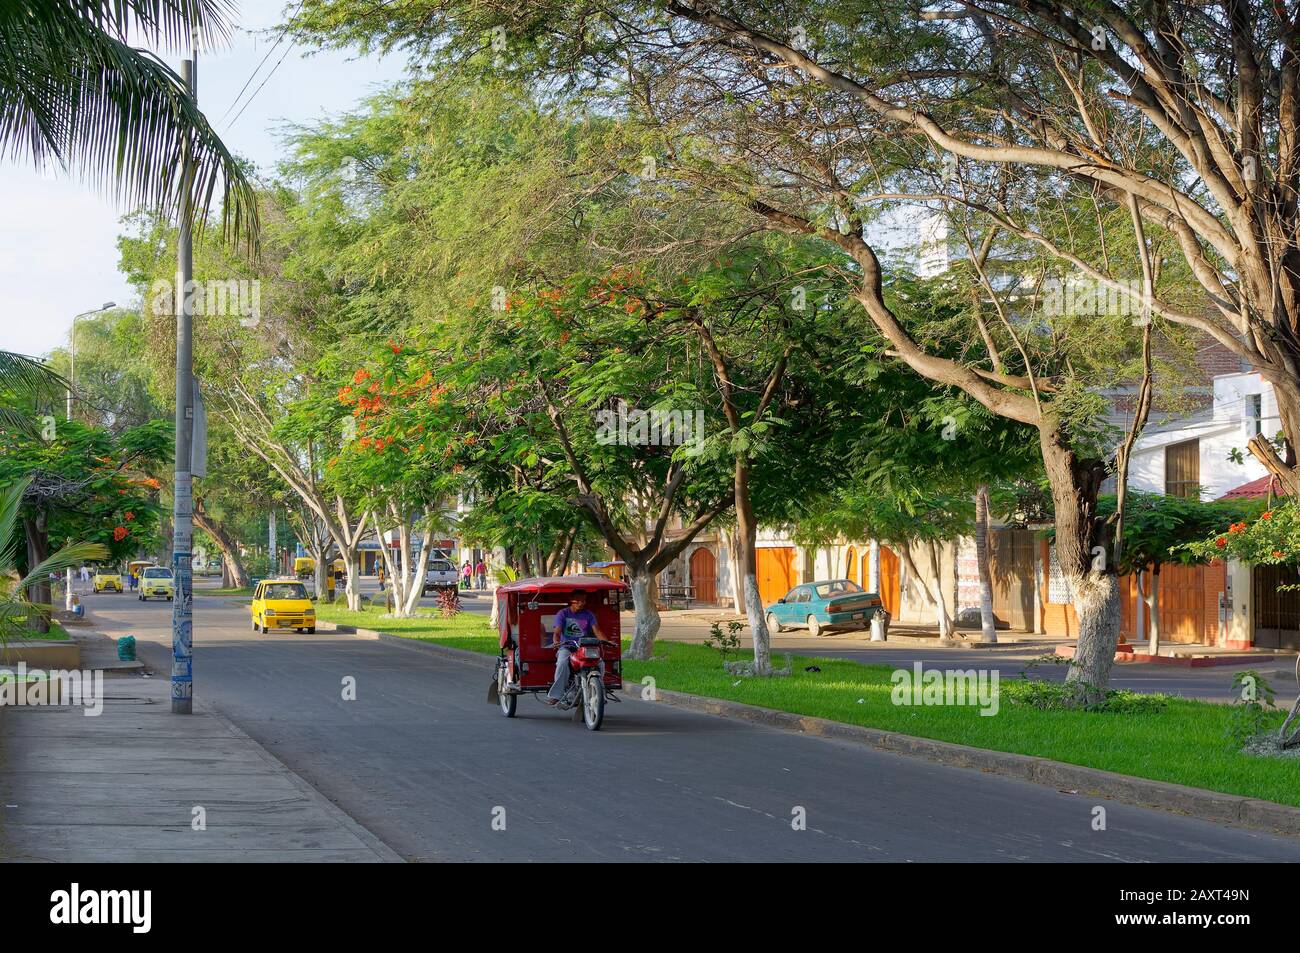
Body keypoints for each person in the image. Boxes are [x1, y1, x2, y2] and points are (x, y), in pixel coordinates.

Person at [545, 591, 605, 705]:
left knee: (600, 663)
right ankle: (556, 695)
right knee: (562, 663)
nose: (582, 603)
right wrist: (556, 642)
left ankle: (599, 693)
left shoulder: (588, 614)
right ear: (571, 600)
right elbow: (557, 632)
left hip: (583, 648)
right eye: (579, 600)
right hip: (566, 647)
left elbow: (598, 631)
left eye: (584, 600)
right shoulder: (562, 613)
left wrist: (607, 641)